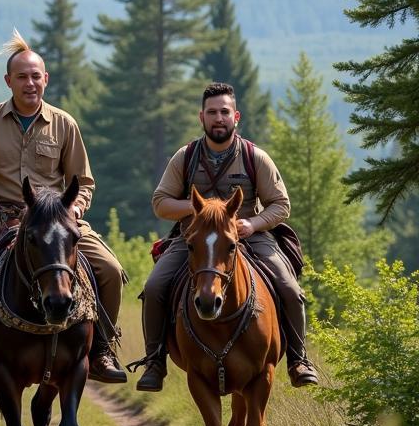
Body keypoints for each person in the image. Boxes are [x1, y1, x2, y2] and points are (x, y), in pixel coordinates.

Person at [0, 31, 128, 397]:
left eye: (36, 76)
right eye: (22, 77)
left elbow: (84, 181)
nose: (30, 83)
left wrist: (74, 208)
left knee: (109, 269)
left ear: (46, 79)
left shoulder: (64, 124)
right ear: (8, 81)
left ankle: (103, 349)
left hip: (55, 219)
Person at [134, 82, 320, 392]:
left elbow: (281, 204)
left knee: (289, 288)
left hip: (247, 236)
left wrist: (254, 223)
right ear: (201, 118)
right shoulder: (185, 156)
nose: (218, 118)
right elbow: (160, 202)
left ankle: (298, 360)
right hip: (193, 240)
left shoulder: (254, 157)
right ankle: (154, 361)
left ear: (236, 116)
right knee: (154, 287)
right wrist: (201, 210)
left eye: (224, 112)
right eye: (212, 112)